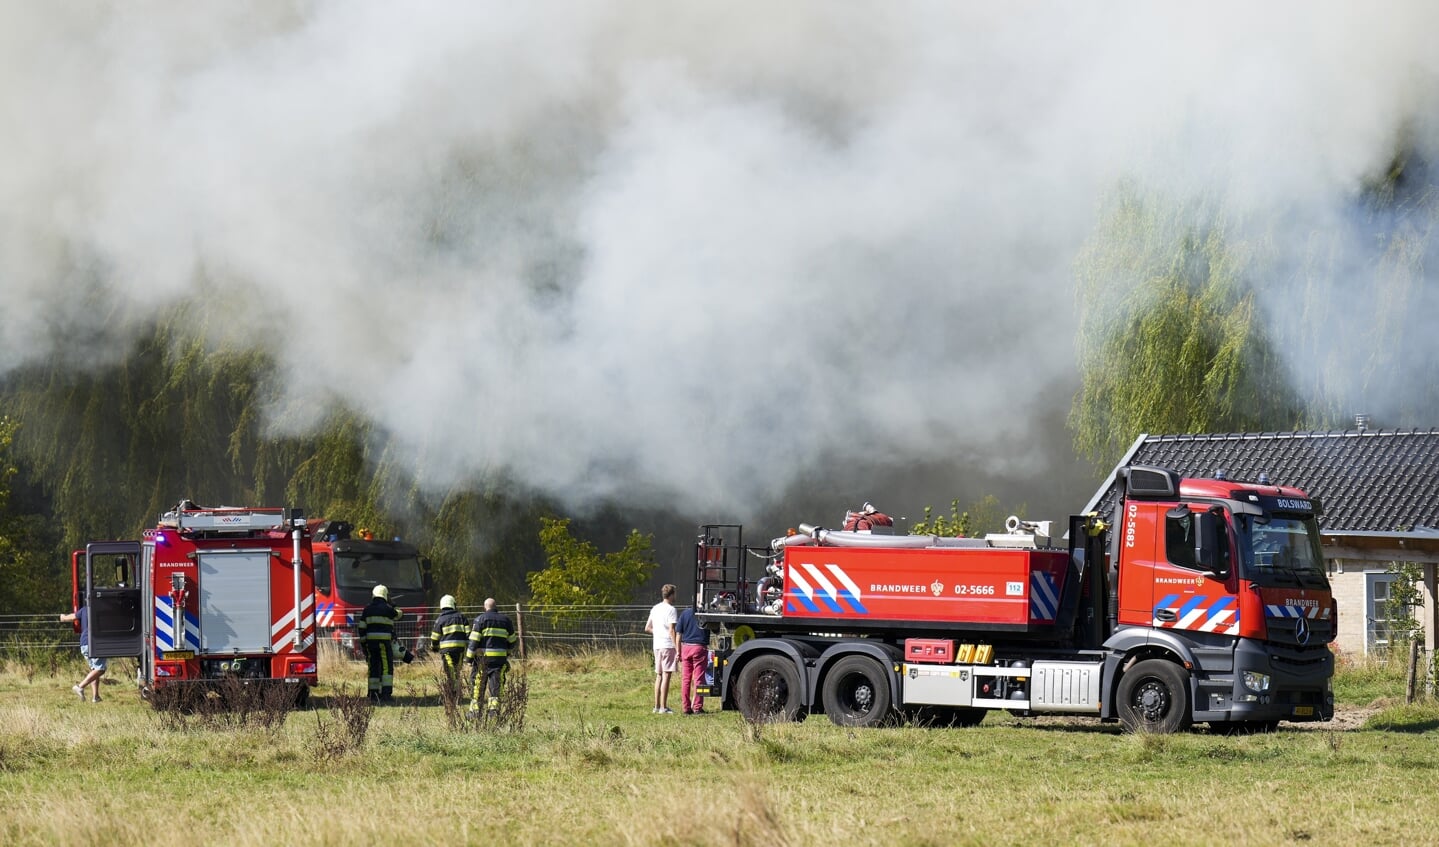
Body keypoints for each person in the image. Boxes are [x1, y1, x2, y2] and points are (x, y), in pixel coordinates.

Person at [466, 598, 518, 716]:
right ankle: (493, 711)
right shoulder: (506, 621)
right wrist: (507, 653)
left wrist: (469, 658)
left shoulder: (480, 620)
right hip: (499, 660)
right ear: (496, 607)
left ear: (485, 607)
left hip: (482, 660)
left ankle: (475, 712)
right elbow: (512, 641)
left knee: (478, 684)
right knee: (496, 685)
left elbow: (473, 641)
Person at [356, 584, 403, 703]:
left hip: (370, 644)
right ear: (385, 596)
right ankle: (386, 695)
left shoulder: (367, 609)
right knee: (386, 668)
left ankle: (373, 694)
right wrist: (392, 604)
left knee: (373, 668)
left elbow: (361, 628)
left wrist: (364, 644)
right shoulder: (388, 609)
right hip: (383, 643)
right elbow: (399, 614)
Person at [644, 583, 679, 714]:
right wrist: (677, 647)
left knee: (658, 675)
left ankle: (656, 706)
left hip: (657, 645)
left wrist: (658, 632)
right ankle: (664, 707)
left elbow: (647, 628)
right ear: (671, 595)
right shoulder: (671, 610)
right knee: (666, 675)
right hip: (667, 645)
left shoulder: (655, 608)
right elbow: (671, 630)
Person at [59, 605, 106, 702]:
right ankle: (80, 686)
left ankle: (95, 696)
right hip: (95, 642)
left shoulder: (85, 609)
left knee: (94, 669)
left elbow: (73, 616)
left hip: (84, 643)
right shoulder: (102, 608)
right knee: (100, 669)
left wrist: (63, 618)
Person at [429, 594, 469, 699]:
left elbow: (434, 637)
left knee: (450, 671)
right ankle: (456, 692)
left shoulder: (440, 619)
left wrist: (434, 647)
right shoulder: (462, 617)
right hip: (460, 650)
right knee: (457, 671)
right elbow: (469, 634)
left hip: (446, 651)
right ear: (453, 605)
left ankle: (453, 693)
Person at [676, 593, 709, 715]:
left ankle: (686, 707)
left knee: (686, 679)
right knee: (699, 679)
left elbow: (678, 634)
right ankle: (697, 707)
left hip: (686, 648)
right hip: (699, 648)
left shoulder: (684, 614)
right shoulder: (704, 614)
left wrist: (678, 651)